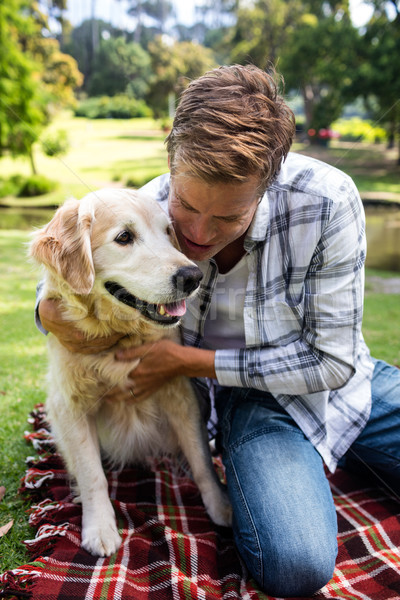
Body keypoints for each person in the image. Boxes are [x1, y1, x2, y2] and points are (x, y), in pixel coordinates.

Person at [37, 64, 400, 597]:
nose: (198, 236)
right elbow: (70, 279)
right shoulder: (147, 205)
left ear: (267, 183)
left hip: (346, 388)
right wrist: (45, 315)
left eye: (228, 218)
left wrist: (187, 362)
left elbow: (335, 362)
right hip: (247, 402)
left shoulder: (327, 202)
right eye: (185, 207)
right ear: (171, 162)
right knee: (296, 564)